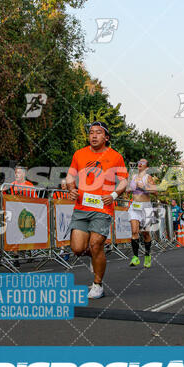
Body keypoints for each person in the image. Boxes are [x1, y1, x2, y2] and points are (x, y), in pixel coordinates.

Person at [67, 121, 128, 299]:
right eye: (91, 132)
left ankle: (97, 284)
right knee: (77, 249)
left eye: (98, 133)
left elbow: (124, 180)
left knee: (95, 244)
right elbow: (70, 175)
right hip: (81, 207)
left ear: (106, 137)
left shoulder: (115, 156)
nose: (93, 136)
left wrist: (115, 195)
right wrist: (71, 189)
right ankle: (96, 258)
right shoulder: (79, 153)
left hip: (103, 207)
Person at [128, 158, 157, 268]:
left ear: (147, 167)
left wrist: (142, 187)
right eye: (139, 162)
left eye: (143, 162)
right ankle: (135, 257)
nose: (140, 163)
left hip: (146, 208)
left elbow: (155, 192)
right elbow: (129, 190)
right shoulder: (134, 177)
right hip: (135, 207)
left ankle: (147, 255)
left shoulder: (148, 177)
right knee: (134, 231)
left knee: (145, 233)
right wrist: (128, 190)